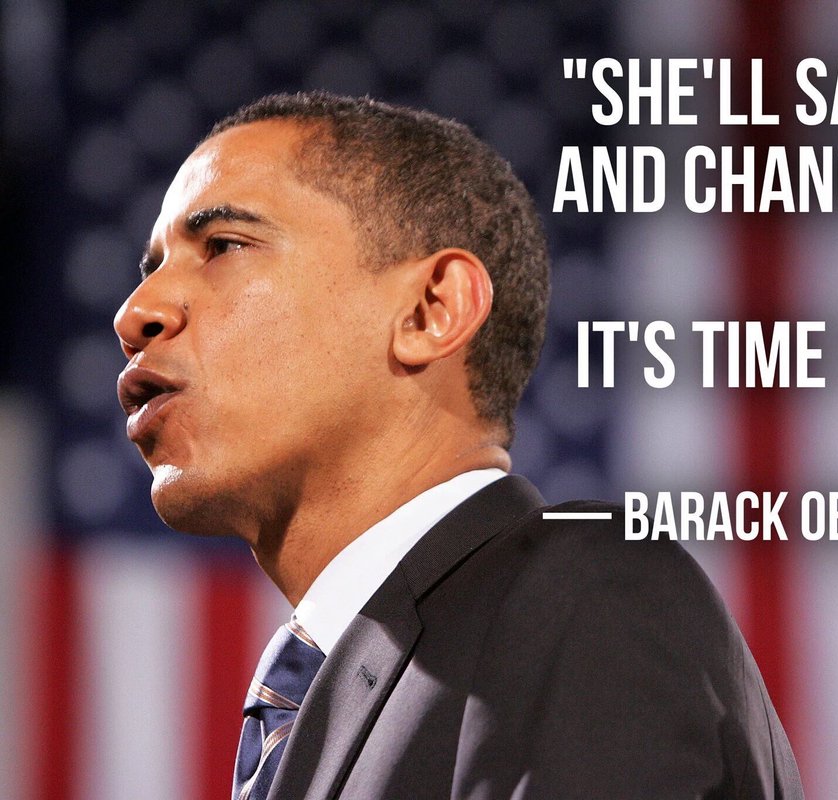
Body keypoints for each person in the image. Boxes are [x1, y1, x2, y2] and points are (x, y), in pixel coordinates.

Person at [114, 91, 802, 799]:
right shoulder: (338, 686)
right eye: (152, 269)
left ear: (430, 310)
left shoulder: (582, 598)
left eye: (223, 246)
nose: (136, 313)